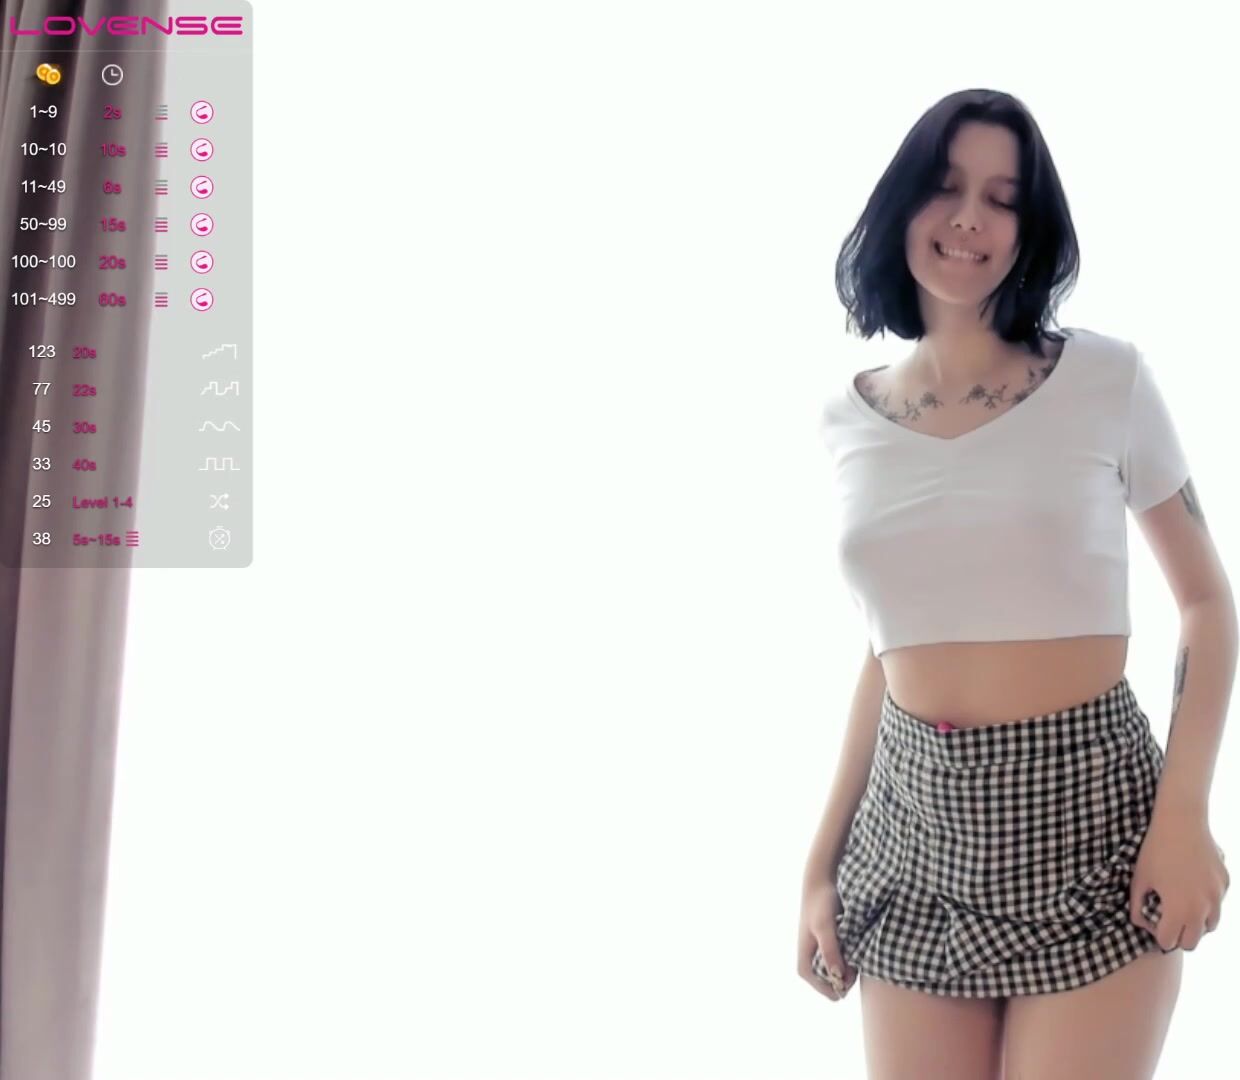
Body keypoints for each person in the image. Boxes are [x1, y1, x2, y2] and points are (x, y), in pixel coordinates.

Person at [798, 89, 1234, 1080]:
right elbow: (887, 649)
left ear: (1031, 229)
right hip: (911, 839)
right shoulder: (847, 419)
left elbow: (1207, 605)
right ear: (901, 204)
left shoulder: (1107, 380)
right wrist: (820, 864)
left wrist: (1183, 815)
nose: (970, 218)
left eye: (1002, 199)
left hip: (1092, 829)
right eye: (946, 187)